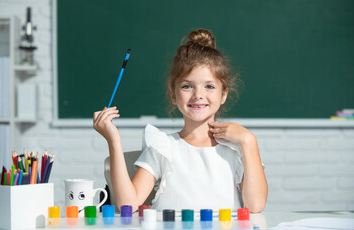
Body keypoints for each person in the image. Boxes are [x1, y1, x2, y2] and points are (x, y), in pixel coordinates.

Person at [93, 29, 268, 213]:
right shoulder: (163, 147)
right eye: (187, 86)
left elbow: (255, 206)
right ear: (173, 95)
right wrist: (113, 140)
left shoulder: (236, 149)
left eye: (209, 86)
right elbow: (127, 205)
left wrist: (249, 142)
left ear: (223, 94)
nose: (198, 95)